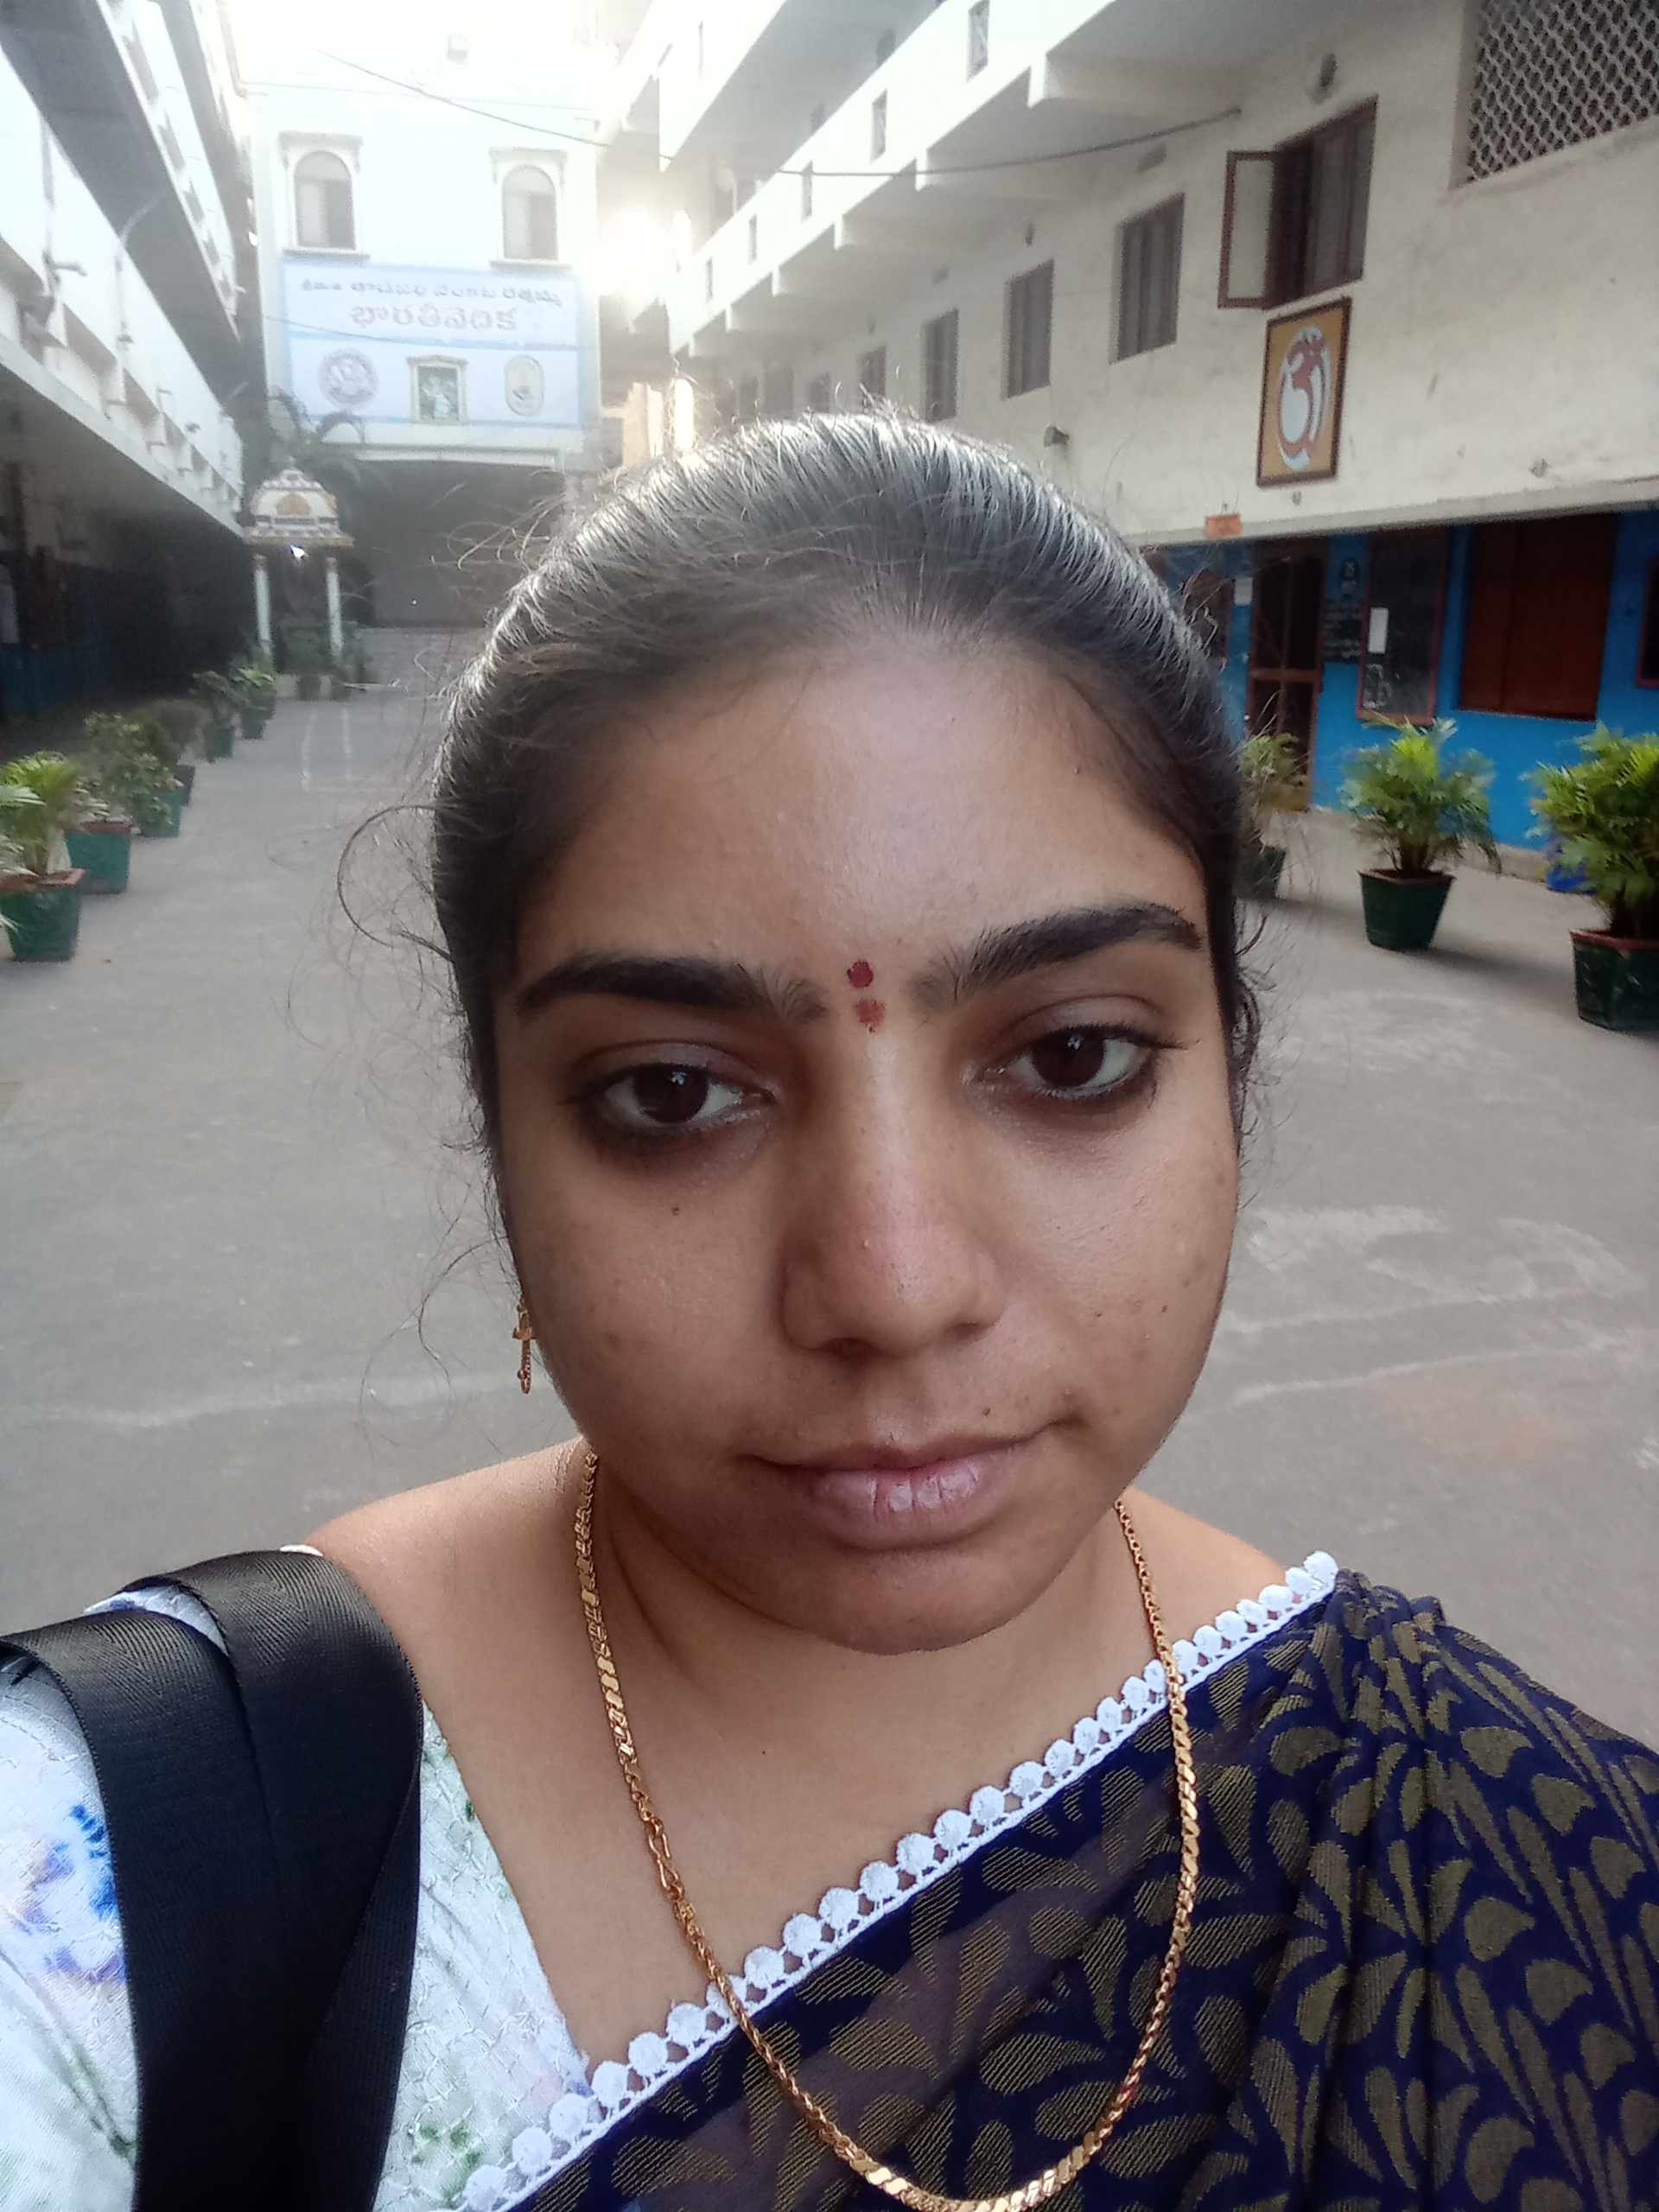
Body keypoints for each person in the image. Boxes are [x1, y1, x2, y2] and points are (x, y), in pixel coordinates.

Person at [2, 414, 1656, 2212]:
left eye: (1073, 1057)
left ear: (1228, 1073)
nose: (892, 1286)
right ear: (502, 1134)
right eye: (671, 1093)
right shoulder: (129, 1876)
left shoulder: (1491, 1836)